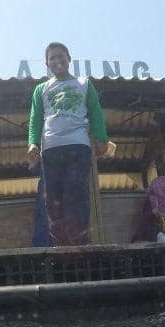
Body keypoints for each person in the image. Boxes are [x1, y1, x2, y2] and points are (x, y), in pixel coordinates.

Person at [27, 42, 110, 246]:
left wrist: (102, 138)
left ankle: (80, 246)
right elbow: (35, 119)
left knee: (77, 195)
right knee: (53, 201)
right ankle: (60, 248)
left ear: (69, 58)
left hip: (78, 146)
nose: (57, 61)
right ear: (47, 63)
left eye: (60, 56)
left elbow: (95, 113)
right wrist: (33, 143)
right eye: (52, 58)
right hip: (51, 149)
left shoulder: (84, 84)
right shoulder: (41, 89)